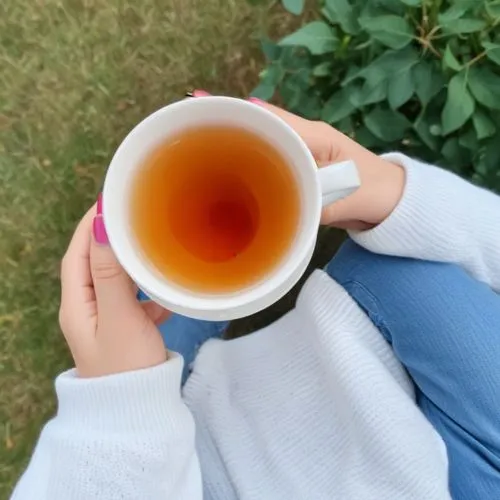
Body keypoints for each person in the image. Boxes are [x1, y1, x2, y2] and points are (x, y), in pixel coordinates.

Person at [11, 94, 500, 500]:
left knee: (145, 275)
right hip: (349, 377)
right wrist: (400, 198)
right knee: (156, 263)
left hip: (166, 462)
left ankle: (190, 305)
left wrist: (119, 411)